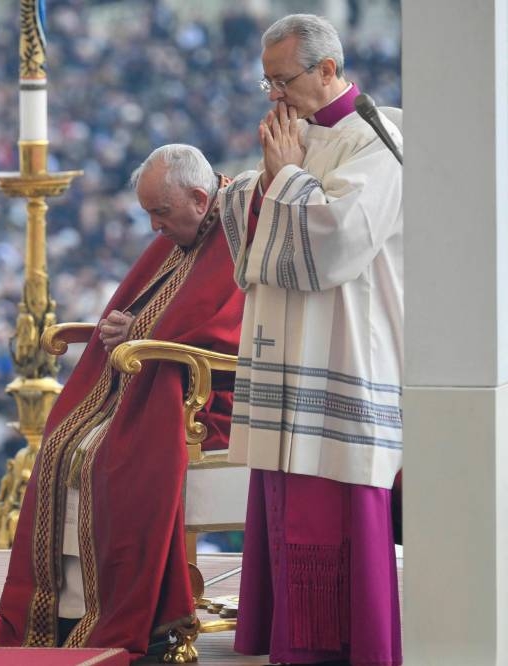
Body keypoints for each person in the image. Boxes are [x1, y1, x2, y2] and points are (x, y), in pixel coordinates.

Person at [0, 144, 245, 660]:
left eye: (160, 214)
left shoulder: (238, 227)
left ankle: (129, 613)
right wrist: (132, 328)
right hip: (151, 380)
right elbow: (148, 304)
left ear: (197, 198)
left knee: (114, 457)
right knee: (64, 443)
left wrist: (142, 332)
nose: (153, 229)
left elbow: (230, 332)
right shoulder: (189, 225)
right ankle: (64, 614)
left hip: (208, 403)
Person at [218, 14, 402, 666]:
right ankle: (291, 639)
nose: (273, 95)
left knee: (338, 506)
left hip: (346, 353)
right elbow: (252, 207)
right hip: (292, 355)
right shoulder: (297, 135)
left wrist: (287, 179)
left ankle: (352, 645)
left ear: (328, 69)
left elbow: (338, 240)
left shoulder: (380, 139)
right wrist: (264, 183)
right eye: (265, 81)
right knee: (286, 501)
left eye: (283, 79)